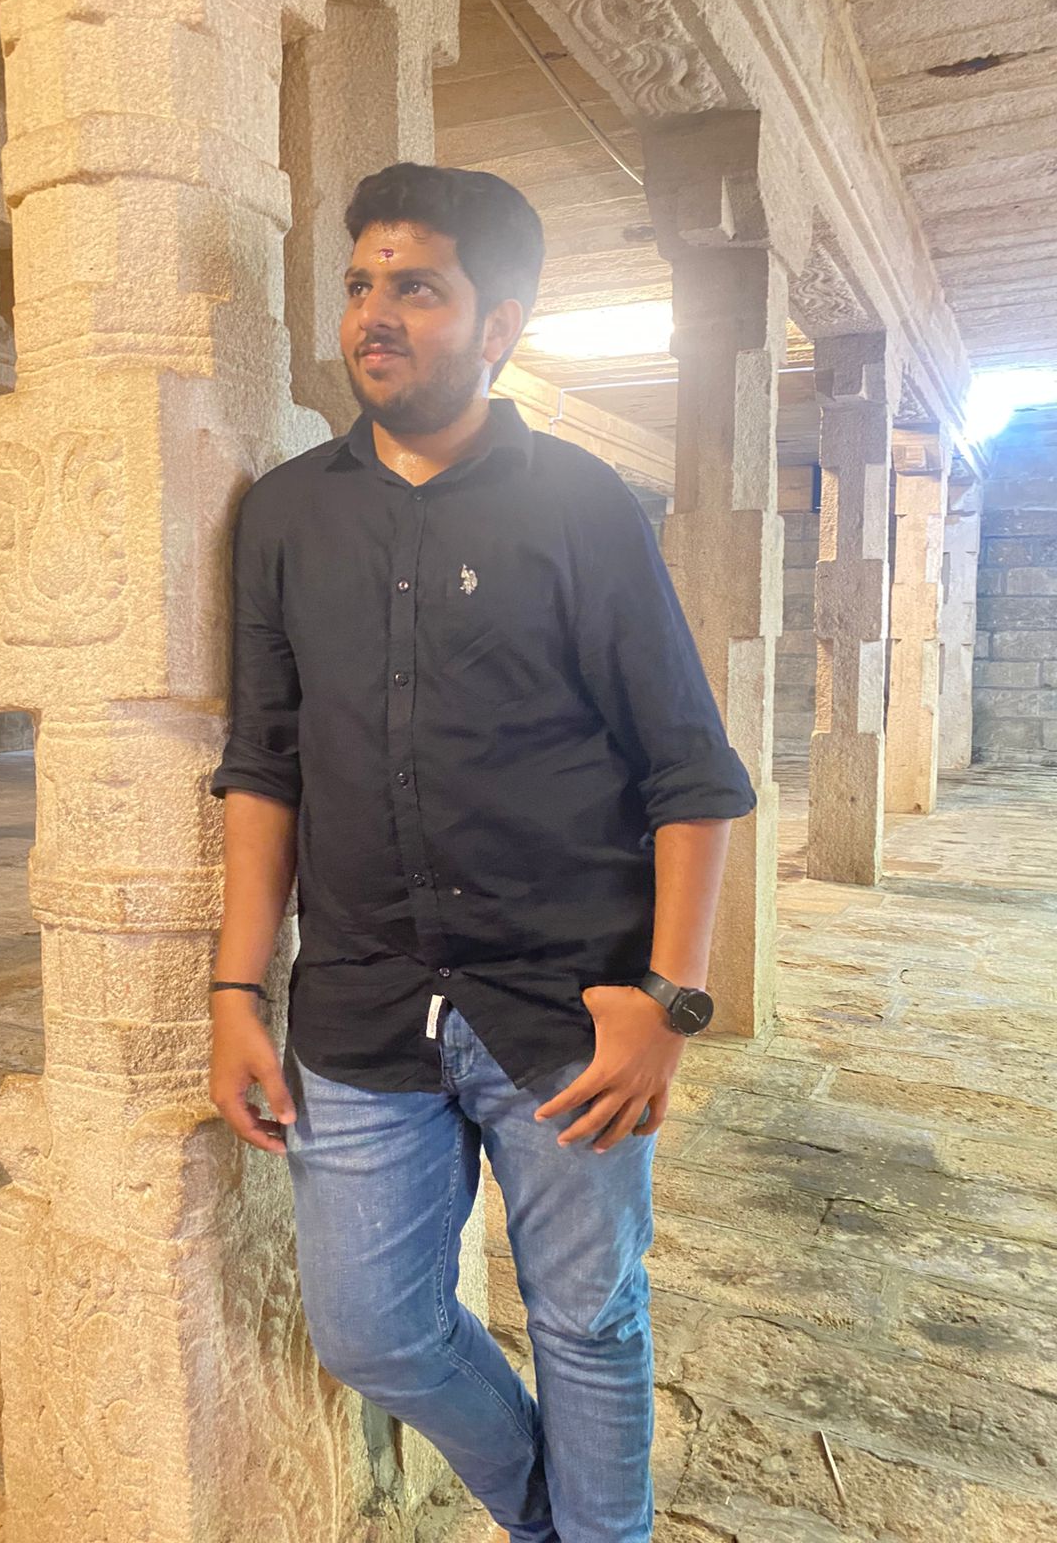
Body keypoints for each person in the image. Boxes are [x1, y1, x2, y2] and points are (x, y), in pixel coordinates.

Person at [207, 161, 756, 1543]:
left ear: (498, 324)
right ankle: (556, 1520)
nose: (374, 315)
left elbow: (691, 772)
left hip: (569, 1009)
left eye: (418, 288)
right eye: (360, 285)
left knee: (587, 1319)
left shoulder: (581, 504)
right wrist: (235, 992)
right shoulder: (285, 516)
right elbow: (264, 764)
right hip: (361, 1004)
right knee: (373, 1330)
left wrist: (669, 1000)